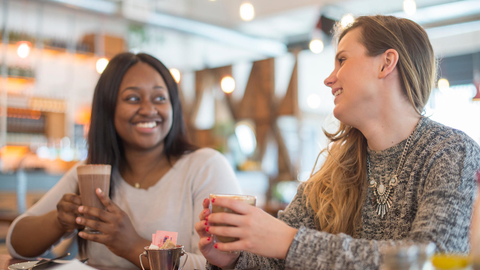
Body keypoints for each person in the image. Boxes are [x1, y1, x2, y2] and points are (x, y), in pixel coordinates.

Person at [195, 15, 480, 270]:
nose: (329, 79)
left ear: (386, 63)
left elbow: (434, 258)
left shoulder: (451, 151)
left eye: (342, 60)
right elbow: (274, 259)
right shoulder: (336, 169)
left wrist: (291, 242)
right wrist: (233, 258)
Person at [6, 52, 241, 269]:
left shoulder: (205, 166)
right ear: (108, 108)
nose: (149, 109)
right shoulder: (91, 172)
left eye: (160, 97)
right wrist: (59, 222)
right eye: (133, 98)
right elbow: (16, 244)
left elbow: (223, 264)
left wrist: (134, 246)